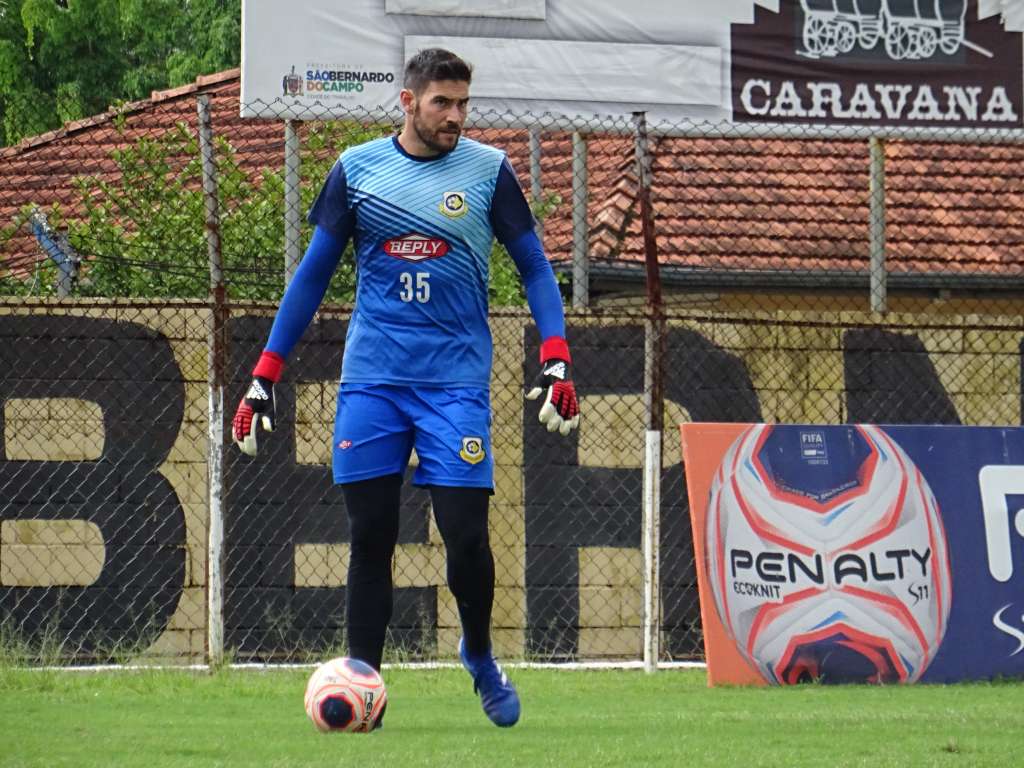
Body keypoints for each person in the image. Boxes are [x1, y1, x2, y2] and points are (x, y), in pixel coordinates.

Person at [232, 48, 580, 729]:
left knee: (464, 536)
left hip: (454, 386)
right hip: (373, 383)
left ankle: (478, 654)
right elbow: (310, 279)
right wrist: (262, 377)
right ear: (407, 102)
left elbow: (537, 268)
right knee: (371, 534)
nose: (454, 116)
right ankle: (365, 679)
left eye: (462, 104)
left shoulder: (488, 171)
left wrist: (557, 356)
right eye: (441, 103)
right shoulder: (357, 171)